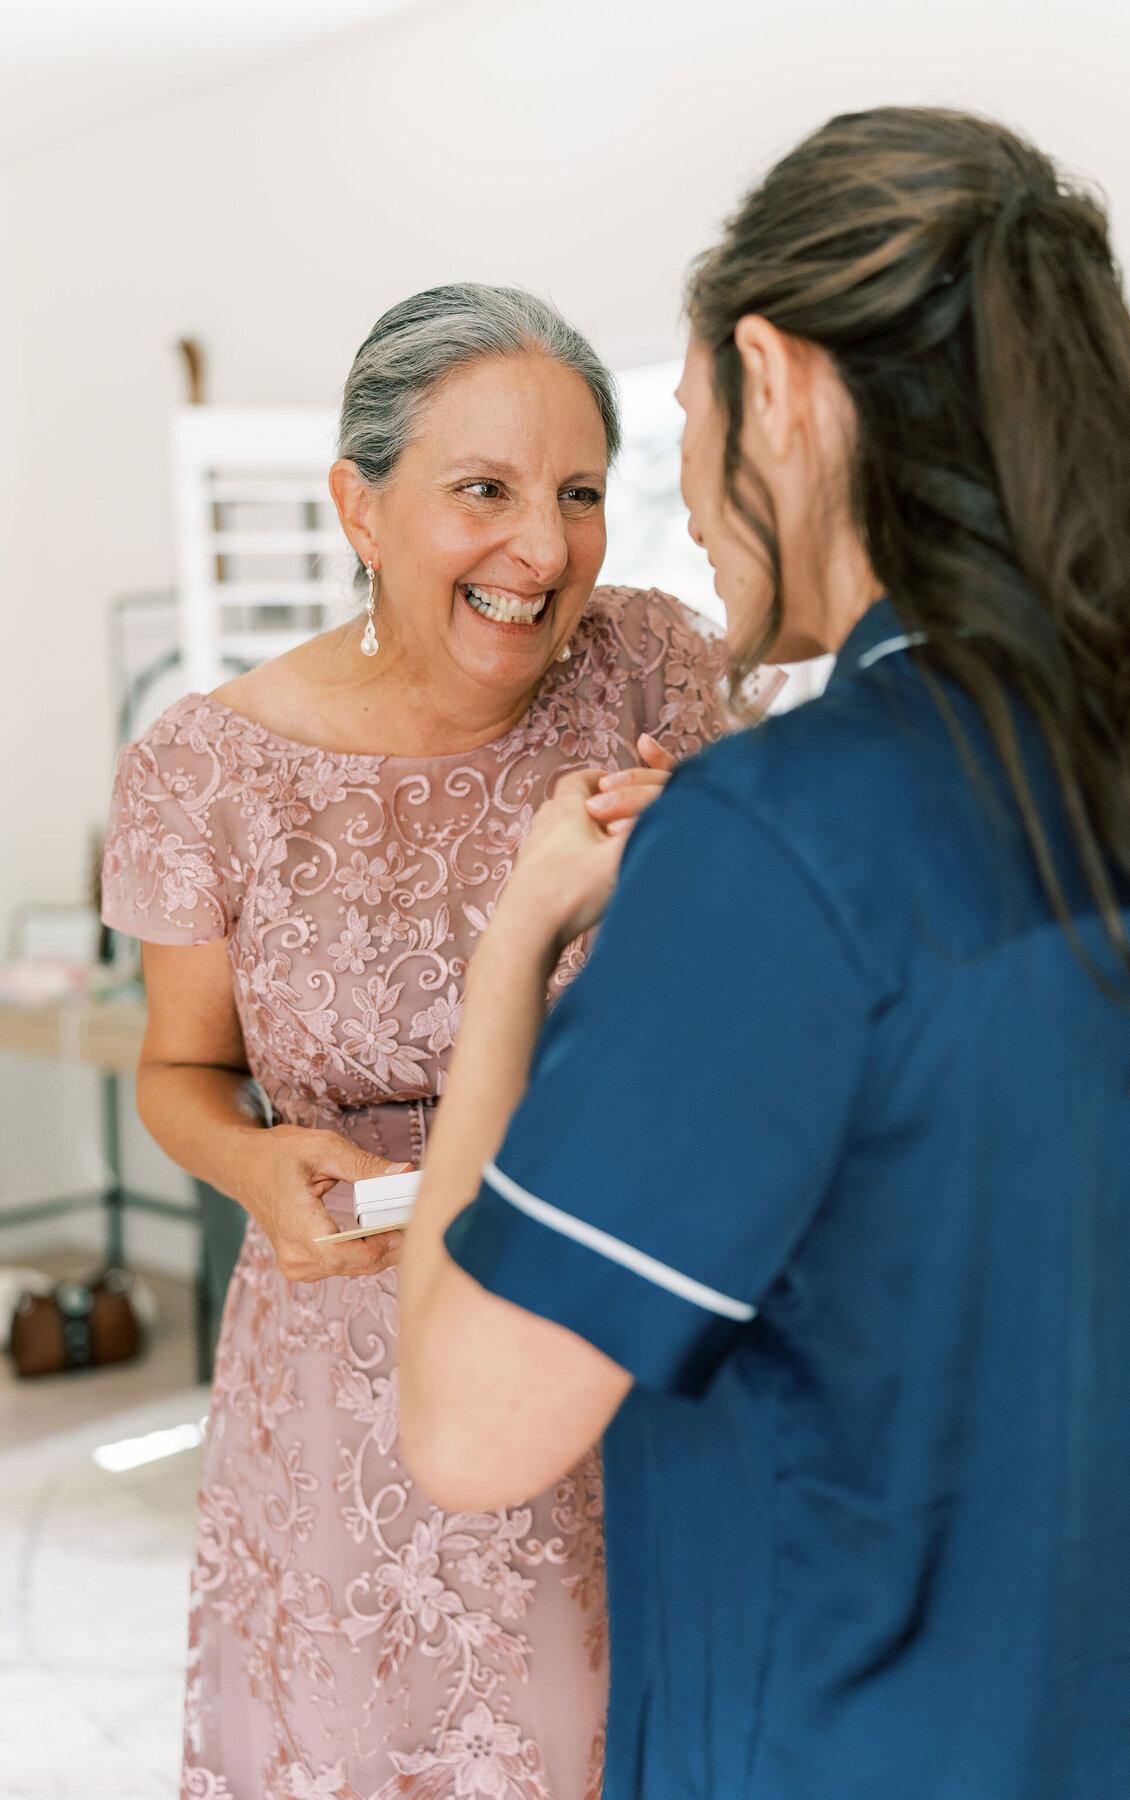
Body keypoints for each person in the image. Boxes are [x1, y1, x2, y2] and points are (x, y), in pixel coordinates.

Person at [397, 113, 1130, 1799]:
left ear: (779, 380)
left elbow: (473, 1427)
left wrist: (512, 959)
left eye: (674, 431)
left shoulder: (784, 837)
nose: (682, 512)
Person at [101, 283, 729, 1799]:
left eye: (579, 492)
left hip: (602, 1321)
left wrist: (715, 845)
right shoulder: (206, 767)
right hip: (347, 1358)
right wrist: (252, 1166)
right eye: (484, 491)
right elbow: (177, 1075)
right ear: (358, 506)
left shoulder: (658, 672)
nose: (545, 546)